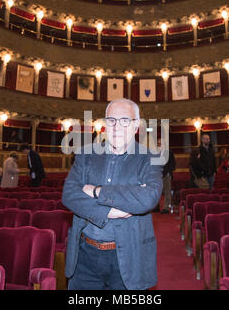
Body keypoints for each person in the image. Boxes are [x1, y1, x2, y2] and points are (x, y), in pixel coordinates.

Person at [62, 98, 163, 290]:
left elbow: (148, 197)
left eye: (125, 120)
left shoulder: (152, 157)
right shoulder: (85, 154)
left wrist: (96, 191)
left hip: (128, 257)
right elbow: (69, 194)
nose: (117, 126)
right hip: (84, 257)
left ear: (135, 127)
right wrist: (109, 212)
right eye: (111, 120)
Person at [157, 138, 175, 213]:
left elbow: (173, 165)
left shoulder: (169, 153)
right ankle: (155, 207)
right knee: (156, 192)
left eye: (162, 143)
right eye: (159, 143)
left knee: (167, 192)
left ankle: (166, 208)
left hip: (166, 175)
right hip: (157, 175)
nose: (160, 145)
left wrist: (168, 172)